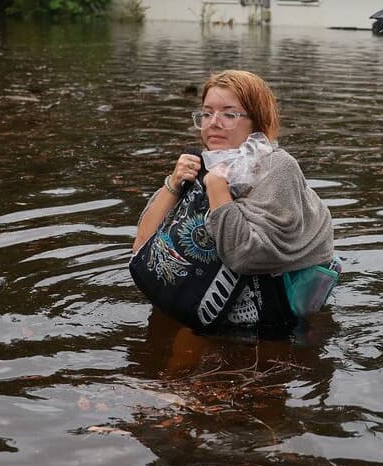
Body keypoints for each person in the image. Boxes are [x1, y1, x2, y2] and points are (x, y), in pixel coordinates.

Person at [132, 69, 335, 329]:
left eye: (229, 114)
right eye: (206, 113)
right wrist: (172, 184)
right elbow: (141, 247)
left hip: (268, 326)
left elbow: (245, 256)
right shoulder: (202, 163)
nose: (213, 122)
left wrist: (217, 188)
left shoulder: (277, 167)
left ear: (256, 121)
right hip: (203, 308)